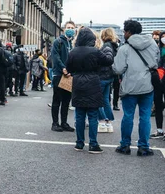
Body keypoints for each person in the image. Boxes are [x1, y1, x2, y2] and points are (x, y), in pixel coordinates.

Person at [113, 19, 159, 156]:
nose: (123, 33)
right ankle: (143, 147)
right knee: (145, 117)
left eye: (124, 31)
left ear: (128, 32)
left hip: (129, 87)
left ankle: (125, 145)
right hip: (148, 86)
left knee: (128, 116)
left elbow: (118, 69)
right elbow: (156, 62)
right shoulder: (152, 44)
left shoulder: (124, 49)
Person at [66, 27, 114, 153]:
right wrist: (109, 52)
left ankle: (79, 143)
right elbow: (108, 61)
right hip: (93, 82)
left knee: (80, 115)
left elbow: (68, 68)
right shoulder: (95, 51)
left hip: (78, 83)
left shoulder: (73, 52)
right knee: (93, 115)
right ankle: (93, 144)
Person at [50, 20, 76, 132]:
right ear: (64, 29)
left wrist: (72, 70)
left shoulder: (73, 43)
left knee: (66, 101)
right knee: (57, 100)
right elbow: (55, 57)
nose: (70, 29)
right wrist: (63, 68)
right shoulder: (58, 41)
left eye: (72, 28)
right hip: (59, 75)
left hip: (70, 76)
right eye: (68, 27)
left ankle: (64, 122)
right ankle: (55, 123)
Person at [98, 28, 119, 134]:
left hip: (102, 76)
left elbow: (108, 59)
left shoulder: (106, 46)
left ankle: (103, 121)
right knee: (105, 100)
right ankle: (109, 122)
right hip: (109, 76)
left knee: (98, 100)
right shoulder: (114, 46)